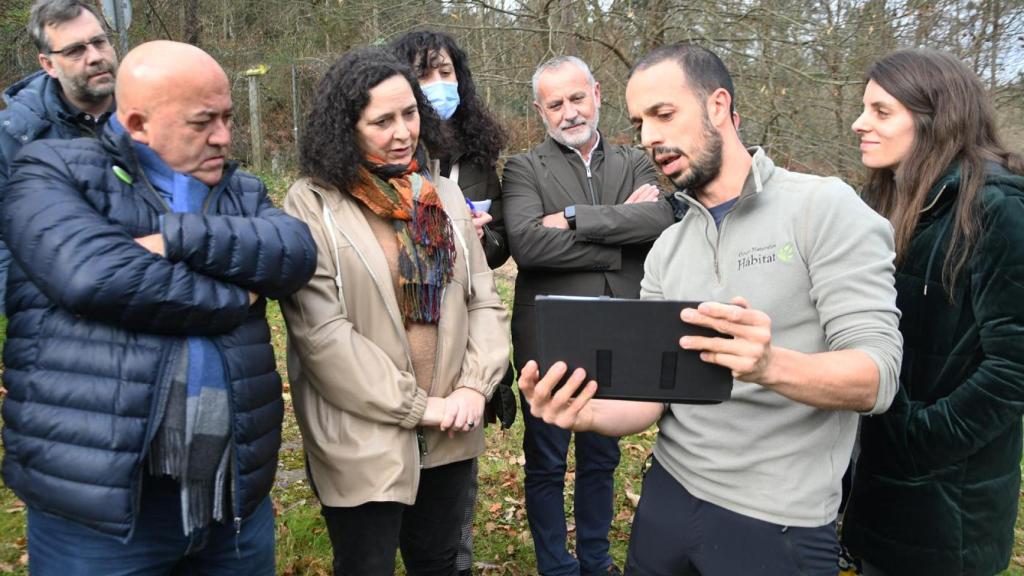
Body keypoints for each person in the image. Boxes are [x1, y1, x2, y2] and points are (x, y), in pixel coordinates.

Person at [518, 43, 903, 576]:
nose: (650, 136)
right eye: (639, 121)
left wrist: (770, 365)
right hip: (667, 498)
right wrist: (589, 415)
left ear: (718, 105)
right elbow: (652, 400)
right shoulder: (670, 246)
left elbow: (877, 379)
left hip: (778, 520)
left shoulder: (823, 208)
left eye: (665, 114)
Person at [1, 40, 317, 574]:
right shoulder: (50, 170)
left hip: (231, 503)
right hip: (100, 512)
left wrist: (176, 236)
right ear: (138, 122)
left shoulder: (240, 189)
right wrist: (236, 294)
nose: (223, 135)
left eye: (227, 117)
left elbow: (294, 253)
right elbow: (93, 277)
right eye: (202, 122)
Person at [279, 47, 510, 576]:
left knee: (439, 562)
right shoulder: (311, 204)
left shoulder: (443, 197)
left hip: (451, 428)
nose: (403, 131)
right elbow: (322, 336)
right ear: (346, 127)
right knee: (366, 565)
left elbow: (484, 300)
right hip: (362, 437)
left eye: (409, 113)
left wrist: (474, 387)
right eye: (382, 121)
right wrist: (416, 407)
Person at [841, 49, 1024, 576]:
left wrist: (915, 440)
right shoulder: (890, 201)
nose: (860, 124)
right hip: (879, 488)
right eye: (863, 109)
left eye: (881, 111)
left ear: (933, 116)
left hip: (948, 508)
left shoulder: (996, 208)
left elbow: (1013, 368)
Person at [503, 55, 674, 576]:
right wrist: (621, 241)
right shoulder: (523, 167)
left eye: (577, 98)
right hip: (551, 336)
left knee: (602, 459)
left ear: (597, 94)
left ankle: (596, 561)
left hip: (622, 333)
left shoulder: (638, 160)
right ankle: (556, 566)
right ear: (540, 110)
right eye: (555, 104)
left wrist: (576, 218)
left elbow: (666, 217)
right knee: (548, 461)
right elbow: (529, 244)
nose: (569, 112)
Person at [391, 30, 516, 576]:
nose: (438, 85)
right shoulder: (393, 154)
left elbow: (500, 247)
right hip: (401, 343)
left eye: (446, 73)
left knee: (447, 521)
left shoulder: (479, 153)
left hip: (464, 338)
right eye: (425, 74)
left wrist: (479, 234)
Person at [0, 0, 119, 315]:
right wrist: (44, 314)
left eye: (99, 42)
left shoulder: (152, 113)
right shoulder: (12, 138)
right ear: (48, 64)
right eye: (75, 51)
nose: (95, 57)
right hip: (63, 322)